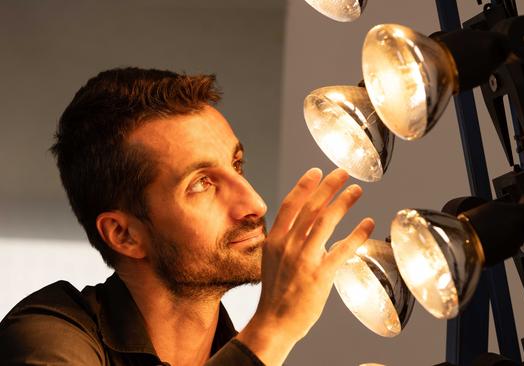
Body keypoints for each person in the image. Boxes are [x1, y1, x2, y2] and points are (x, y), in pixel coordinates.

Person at [0, 67, 375, 366]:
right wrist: (274, 328)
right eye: (201, 184)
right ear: (123, 234)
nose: (255, 204)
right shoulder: (47, 338)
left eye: (237, 167)